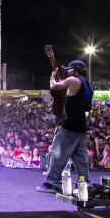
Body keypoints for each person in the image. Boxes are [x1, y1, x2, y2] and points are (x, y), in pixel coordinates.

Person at [36, 60, 94, 194]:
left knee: (56, 154)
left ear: (76, 71)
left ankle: (53, 183)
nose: (67, 72)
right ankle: (84, 183)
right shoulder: (88, 86)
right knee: (80, 158)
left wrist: (52, 75)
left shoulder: (73, 80)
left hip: (69, 126)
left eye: (69, 70)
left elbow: (55, 86)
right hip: (80, 126)